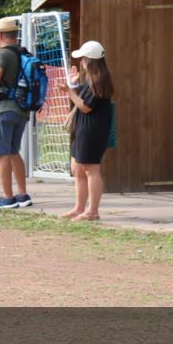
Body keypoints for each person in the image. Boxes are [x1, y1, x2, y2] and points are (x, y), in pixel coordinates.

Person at [58, 41, 113, 221]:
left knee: (90, 168)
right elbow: (84, 97)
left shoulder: (99, 80)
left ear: (89, 60)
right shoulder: (92, 78)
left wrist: (70, 92)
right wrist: (74, 86)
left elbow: (86, 106)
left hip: (92, 129)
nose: (81, 61)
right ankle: (79, 207)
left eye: (83, 58)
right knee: (78, 168)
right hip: (84, 127)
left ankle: (92, 211)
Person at [0, 17, 31, 209]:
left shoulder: (2, 53)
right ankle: (22, 194)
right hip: (21, 110)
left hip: (2, 110)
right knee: (13, 151)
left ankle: (7, 197)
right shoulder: (22, 53)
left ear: (0, 35)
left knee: (1, 154)